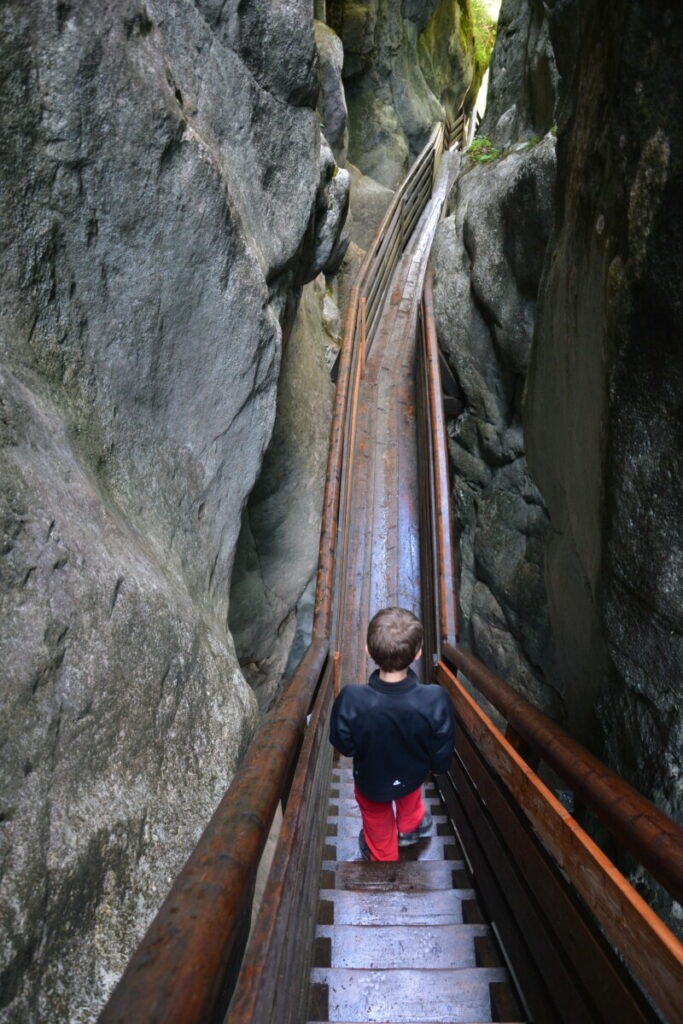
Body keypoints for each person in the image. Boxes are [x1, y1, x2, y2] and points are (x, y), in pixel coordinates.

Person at [329, 606, 455, 861]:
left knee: (376, 818)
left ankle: (384, 857)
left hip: (372, 781)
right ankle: (410, 828)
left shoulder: (352, 699)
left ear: (368, 650)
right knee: (409, 796)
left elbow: (344, 744)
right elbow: (442, 744)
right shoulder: (434, 699)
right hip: (413, 774)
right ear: (417, 654)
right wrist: (438, 767)